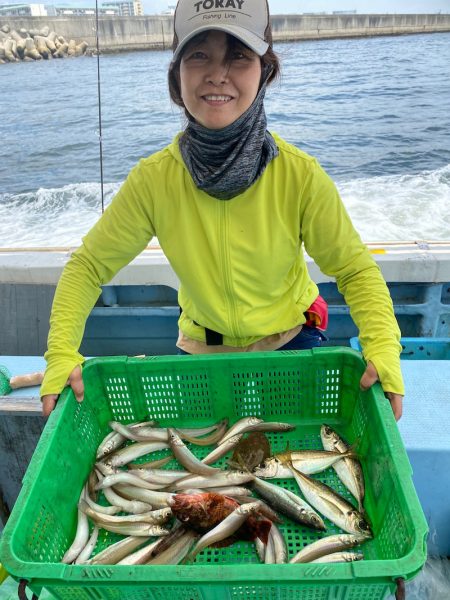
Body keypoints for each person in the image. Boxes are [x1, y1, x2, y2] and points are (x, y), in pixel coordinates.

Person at [41, 0, 404, 420]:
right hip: (201, 351)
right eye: (198, 55)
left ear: (264, 73)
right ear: (176, 77)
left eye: (238, 55)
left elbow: (355, 270)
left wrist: (382, 345)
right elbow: (87, 266)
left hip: (291, 340)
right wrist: (61, 351)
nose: (217, 74)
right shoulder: (153, 180)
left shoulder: (300, 175)